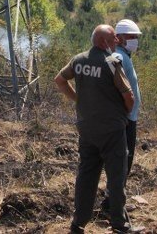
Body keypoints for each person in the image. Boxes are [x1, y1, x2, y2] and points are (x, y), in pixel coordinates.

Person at [56, 24, 137, 234]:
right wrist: (126, 114)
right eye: (113, 39)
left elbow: (60, 80)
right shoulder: (111, 63)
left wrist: (78, 100)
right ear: (103, 42)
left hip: (87, 129)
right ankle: (119, 224)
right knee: (117, 177)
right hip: (112, 130)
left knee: (86, 176)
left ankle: (78, 224)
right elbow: (129, 97)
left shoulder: (79, 59)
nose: (117, 42)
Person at [101, 18, 143, 214]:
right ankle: (113, 205)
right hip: (125, 119)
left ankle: (115, 201)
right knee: (122, 162)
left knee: (124, 162)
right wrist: (125, 114)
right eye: (131, 37)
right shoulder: (117, 57)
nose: (135, 40)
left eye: (136, 37)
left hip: (128, 117)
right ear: (119, 38)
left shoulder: (124, 56)